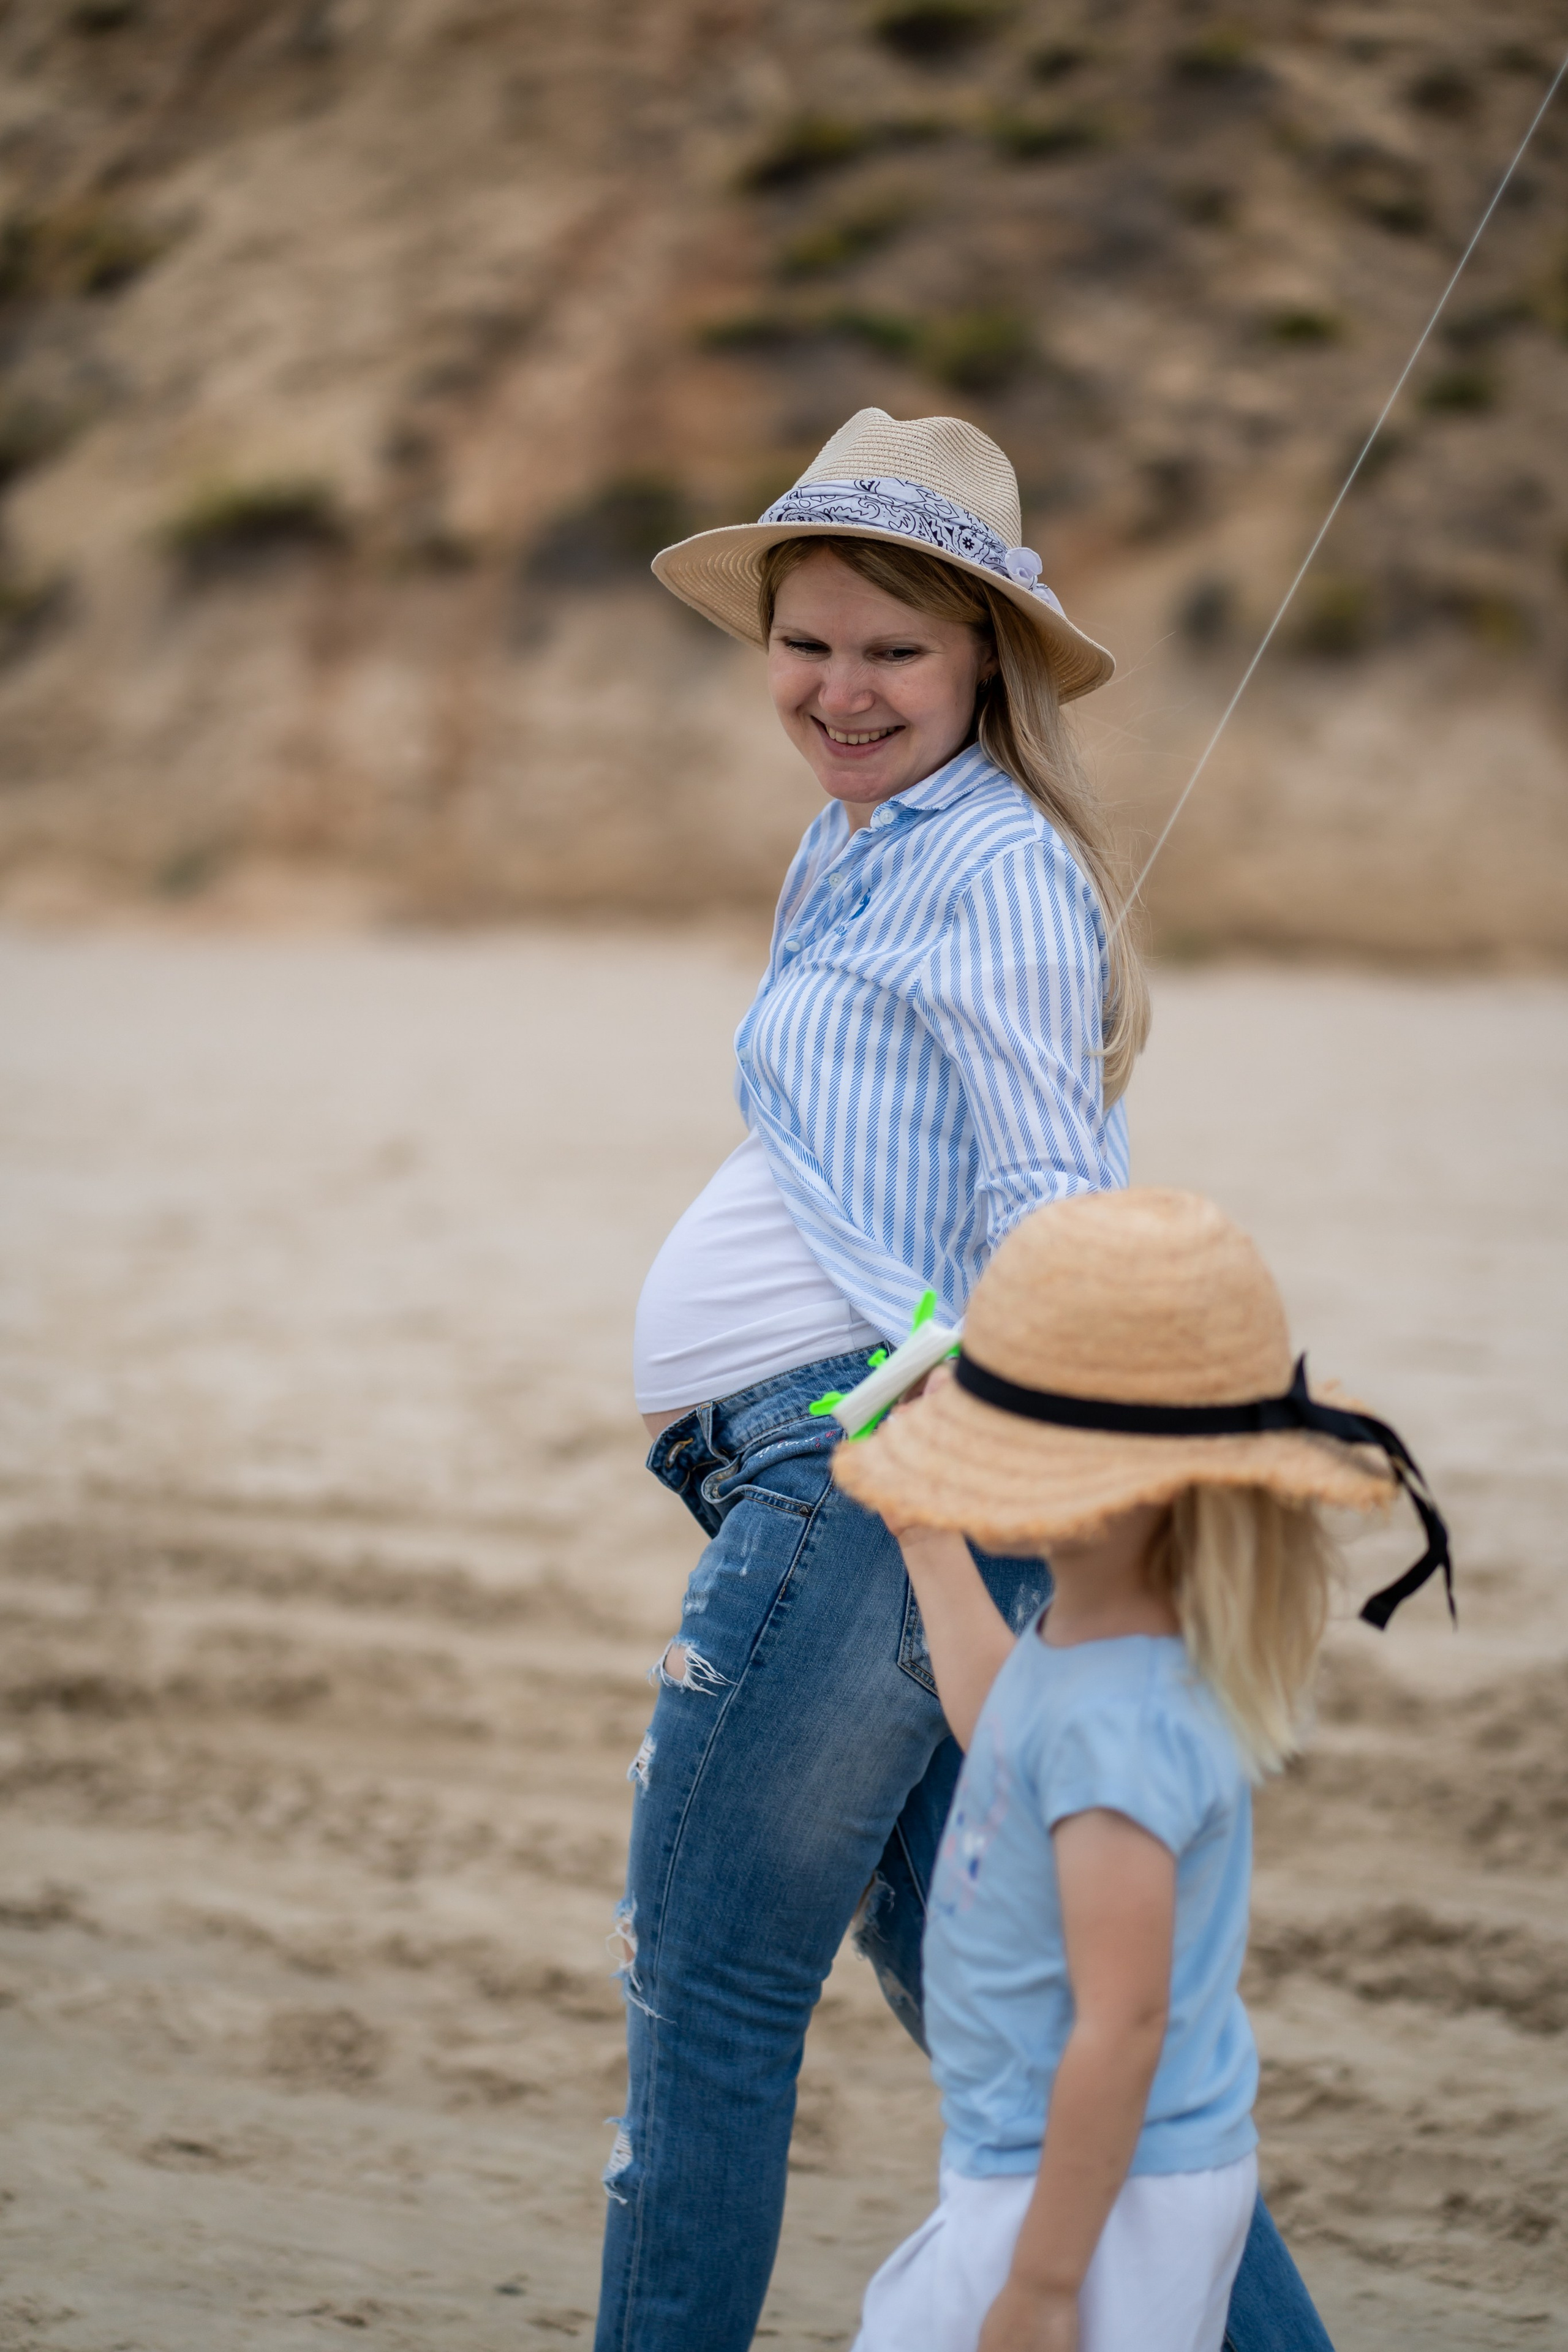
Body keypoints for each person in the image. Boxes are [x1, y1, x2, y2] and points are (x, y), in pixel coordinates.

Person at [597, 409, 1338, 2352]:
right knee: (996, 2001)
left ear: (985, 658)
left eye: (895, 652)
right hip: (859, 1493)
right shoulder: (859, 845)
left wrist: (1032, 1480)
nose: (842, 691)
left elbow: (1044, 1204)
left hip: (864, 1486)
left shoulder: (994, 868)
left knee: (713, 2006)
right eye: (810, 642)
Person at [834, 1185, 1448, 2351]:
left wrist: (1049, 2282)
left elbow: (1126, 2021)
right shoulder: (1093, 1639)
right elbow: (999, 1721)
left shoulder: (1128, 1726)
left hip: (1095, 2198)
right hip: (1056, 2165)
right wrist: (925, 1537)